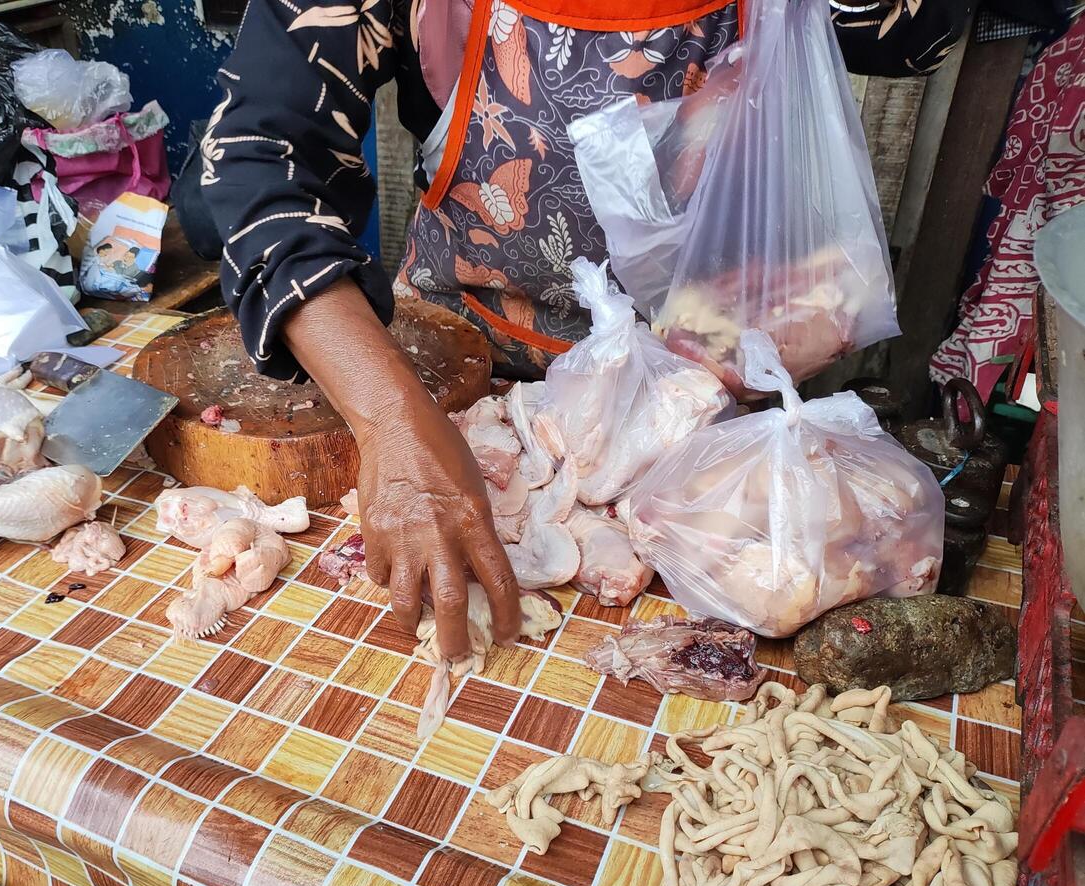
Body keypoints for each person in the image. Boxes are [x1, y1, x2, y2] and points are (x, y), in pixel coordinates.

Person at [178, 0, 970, 663]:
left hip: (719, 411)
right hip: (472, 389)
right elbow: (258, 159)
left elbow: (916, 33)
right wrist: (389, 417)